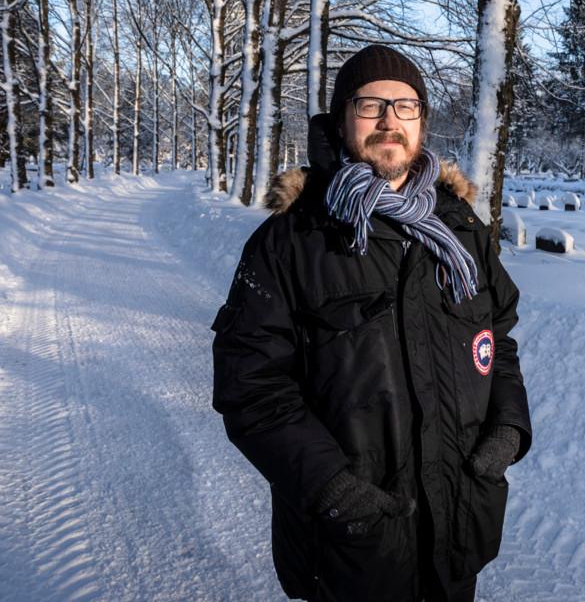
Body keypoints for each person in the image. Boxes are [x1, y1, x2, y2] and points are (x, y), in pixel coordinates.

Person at [211, 45, 532, 602]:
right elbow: (251, 389)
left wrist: (506, 429)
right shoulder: (294, 240)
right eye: (370, 105)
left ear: (422, 122)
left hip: (456, 527)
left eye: (405, 106)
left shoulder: (462, 231)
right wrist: (334, 490)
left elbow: (496, 338)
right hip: (347, 545)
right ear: (341, 120)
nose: (389, 121)